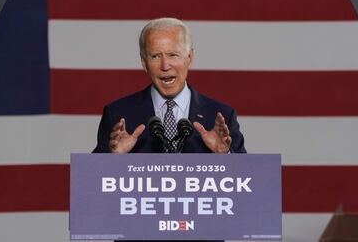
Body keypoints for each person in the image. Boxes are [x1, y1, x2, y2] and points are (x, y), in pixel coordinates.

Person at [93, 17, 246, 154]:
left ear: (189, 58)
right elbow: (90, 179)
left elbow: (247, 176)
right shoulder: (117, 114)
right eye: (155, 56)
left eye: (173, 55)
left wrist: (225, 156)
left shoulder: (221, 115)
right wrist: (112, 159)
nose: (165, 65)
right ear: (144, 63)